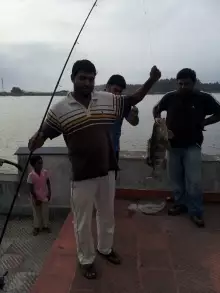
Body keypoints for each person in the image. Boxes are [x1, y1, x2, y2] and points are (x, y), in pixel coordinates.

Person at [28, 59, 161, 279]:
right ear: (73, 78)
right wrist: (36, 140)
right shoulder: (59, 109)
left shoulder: (107, 99)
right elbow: (44, 134)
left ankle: (105, 249)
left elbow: (134, 99)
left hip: (107, 168)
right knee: (81, 221)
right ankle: (86, 259)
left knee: (107, 215)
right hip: (81, 175)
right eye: (83, 78)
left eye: (91, 79)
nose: (88, 83)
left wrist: (152, 80)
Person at [153, 68, 220, 228]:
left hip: (193, 145)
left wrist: (204, 123)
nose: (183, 86)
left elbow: (219, 113)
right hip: (172, 147)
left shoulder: (204, 98)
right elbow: (156, 109)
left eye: (187, 84)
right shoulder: (169, 97)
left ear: (194, 83)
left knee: (194, 182)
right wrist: (159, 122)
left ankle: (196, 212)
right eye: (180, 83)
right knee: (176, 180)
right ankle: (180, 204)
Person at [105, 74, 139, 177]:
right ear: (107, 87)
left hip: (114, 151)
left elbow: (134, 122)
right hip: (96, 151)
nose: (117, 94)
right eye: (115, 90)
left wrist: (134, 115)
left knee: (111, 182)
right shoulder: (95, 100)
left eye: (120, 92)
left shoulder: (121, 103)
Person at [27, 155, 51, 236]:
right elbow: (31, 188)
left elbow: (48, 182)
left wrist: (49, 193)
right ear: (34, 164)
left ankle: (46, 226)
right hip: (35, 197)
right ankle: (36, 227)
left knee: (45, 212)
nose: (41, 164)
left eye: (41, 163)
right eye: (39, 163)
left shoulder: (45, 172)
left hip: (44, 196)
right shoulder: (31, 175)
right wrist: (35, 198)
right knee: (36, 213)